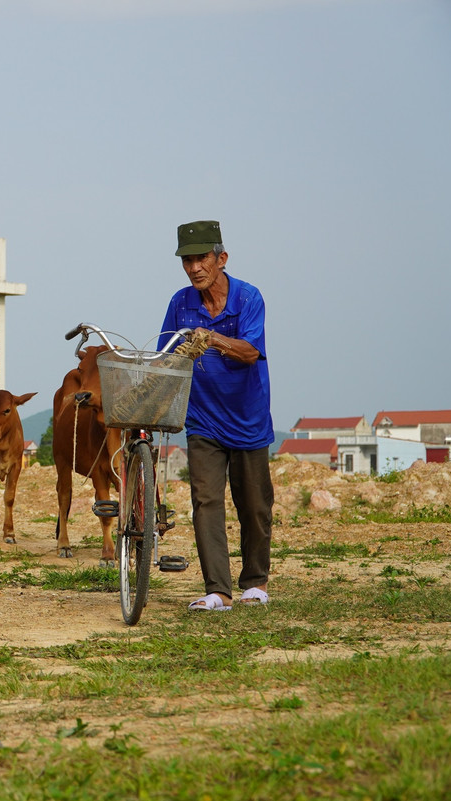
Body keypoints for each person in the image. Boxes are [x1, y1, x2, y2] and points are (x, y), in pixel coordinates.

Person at [158, 220, 274, 612]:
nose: (194, 268)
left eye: (201, 258)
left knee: (254, 505)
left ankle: (255, 582)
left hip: (248, 419)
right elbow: (167, 356)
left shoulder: (248, 298)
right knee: (205, 500)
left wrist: (210, 338)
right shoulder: (180, 303)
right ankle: (218, 591)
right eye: (187, 260)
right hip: (202, 419)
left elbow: (250, 352)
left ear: (221, 258)